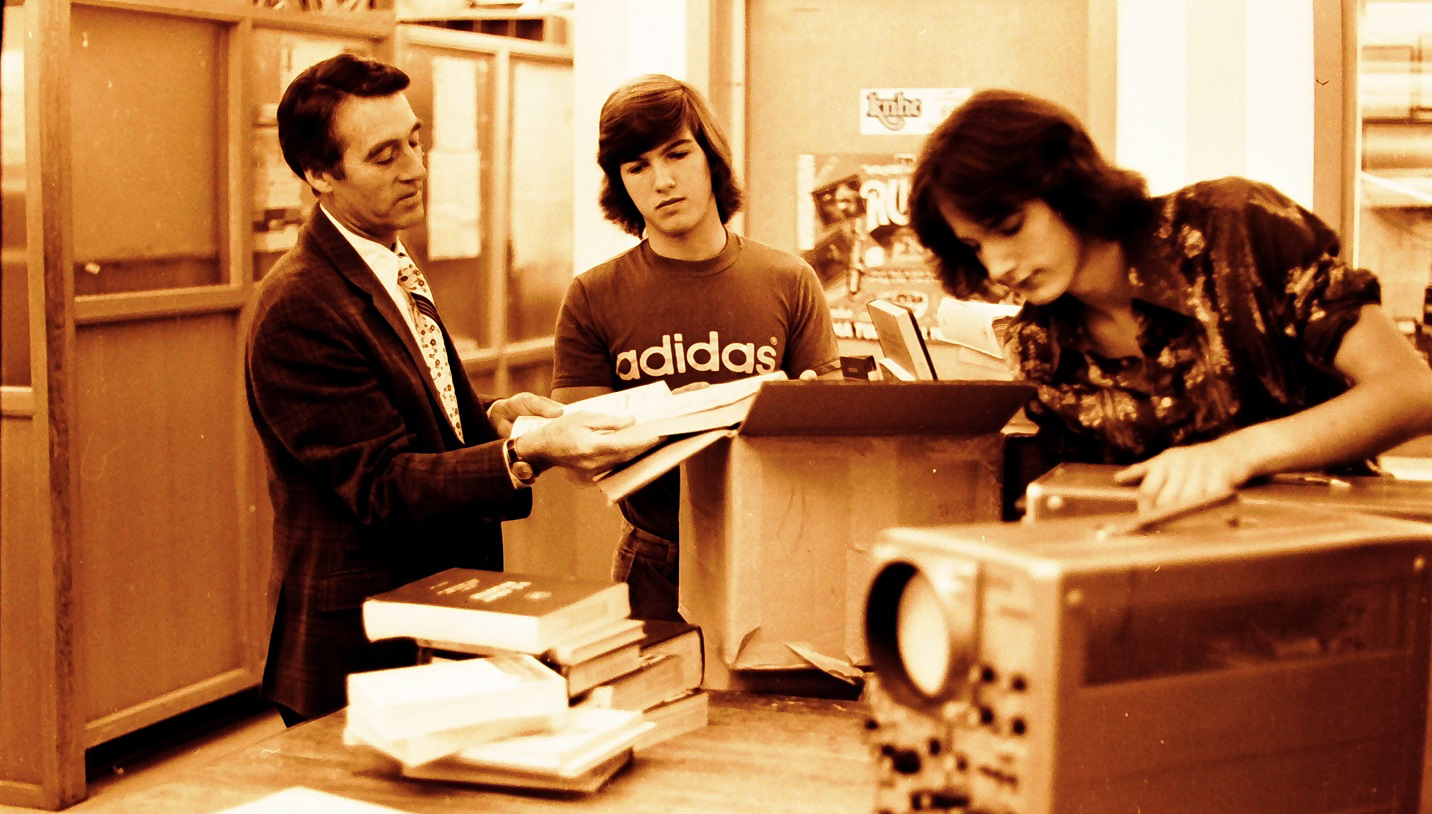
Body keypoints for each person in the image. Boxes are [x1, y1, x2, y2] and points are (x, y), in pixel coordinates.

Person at [245, 53, 655, 723]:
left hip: (439, 609)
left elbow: (420, 419)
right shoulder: (299, 305)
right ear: (320, 175)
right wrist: (530, 453)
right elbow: (383, 484)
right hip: (365, 642)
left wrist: (498, 418)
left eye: (416, 139)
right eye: (385, 155)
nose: (416, 166)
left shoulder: (389, 260)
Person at [908, 89, 1432, 511]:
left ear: (1064, 183)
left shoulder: (1236, 228)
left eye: (1010, 227)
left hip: (1338, 575)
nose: (998, 268)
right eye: (975, 247)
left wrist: (1236, 454)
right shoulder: (1039, 346)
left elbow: (1413, 391)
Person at [552, 74, 842, 620]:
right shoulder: (592, 295)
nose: (662, 181)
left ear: (710, 157)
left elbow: (830, 445)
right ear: (621, 184)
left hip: (776, 548)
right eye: (637, 167)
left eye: (677, 154)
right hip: (654, 562)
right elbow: (576, 460)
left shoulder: (790, 279)